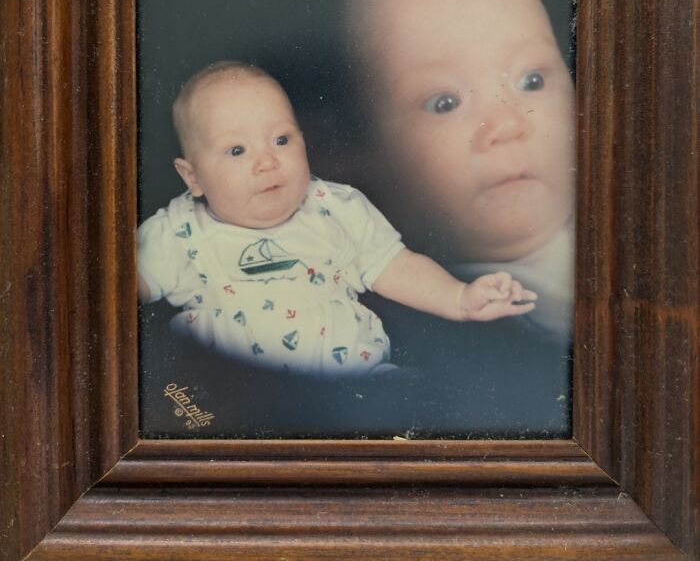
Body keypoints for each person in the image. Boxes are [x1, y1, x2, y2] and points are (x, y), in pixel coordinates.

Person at [137, 60, 537, 379]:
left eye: (281, 140)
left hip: (351, 382)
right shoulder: (178, 231)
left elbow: (397, 266)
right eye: (237, 151)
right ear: (193, 177)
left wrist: (459, 298)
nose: (267, 162)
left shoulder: (334, 208)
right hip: (236, 392)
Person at [344, 0, 575, 339]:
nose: (506, 125)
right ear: (364, 162)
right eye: (444, 103)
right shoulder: (413, 335)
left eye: (532, 81)